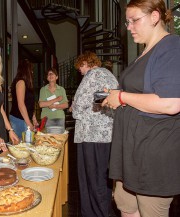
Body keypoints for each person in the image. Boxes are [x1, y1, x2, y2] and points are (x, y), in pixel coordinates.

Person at [102, 1, 180, 216]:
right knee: (125, 205)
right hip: (132, 151)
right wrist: (115, 96)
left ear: (155, 17)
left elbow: (171, 103)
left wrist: (121, 96)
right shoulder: (145, 52)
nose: (129, 27)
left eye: (135, 20)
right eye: (127, 21)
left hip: (152, 153)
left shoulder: (172, 46)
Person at [72, 51, 118, 217]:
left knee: (91, 181)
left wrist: (74, 109)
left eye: (80, 68)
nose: (81, 71)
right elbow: (102, 102)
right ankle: (104, 212)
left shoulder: (92, 74)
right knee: (102, 180)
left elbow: (79, 105)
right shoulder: (109, 75)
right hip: (107, 135)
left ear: (86, 63)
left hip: (91, 135)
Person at [9, 59, 38, 139]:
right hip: (19, 119)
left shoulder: (26, 83)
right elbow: (21, 104)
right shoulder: (21, 82)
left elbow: (29, 103)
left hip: (24, 119)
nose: (32, 72)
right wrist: (29, 123)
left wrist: (34, 118)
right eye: (31, 70)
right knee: (22, 146)